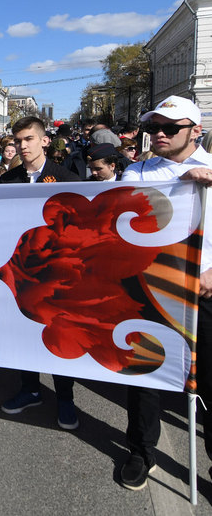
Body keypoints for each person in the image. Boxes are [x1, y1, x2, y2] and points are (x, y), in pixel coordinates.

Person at [118, 95, 212, 490]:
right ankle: (142, 451)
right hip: (151, 291)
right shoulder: (137, 173)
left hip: (205, 295)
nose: (158, 134)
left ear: (195, 131)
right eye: (153, 127)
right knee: (145, 374)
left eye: (169, 128)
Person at [0, 116, 80, 430]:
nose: (23, 146)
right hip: (21, 273)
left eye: (29, 139)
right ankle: (30, 388)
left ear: (45, 141)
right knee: (25, 335)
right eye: (18, 140)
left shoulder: (67, 179)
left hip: (57, 275)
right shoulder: (9, 180)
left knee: (57, 337)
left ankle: (65, 398)